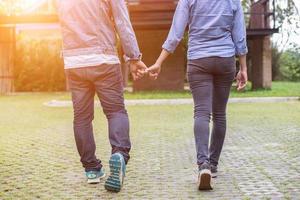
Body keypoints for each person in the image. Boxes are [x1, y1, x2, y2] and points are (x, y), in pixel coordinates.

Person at [147, 0, 248, 190]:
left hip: (198, 59)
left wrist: (159, 62)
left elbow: (176, 33)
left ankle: (203, 166)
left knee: (202, 112)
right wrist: (243, 67)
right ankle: (213, 165)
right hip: (225, 59)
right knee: (219, 114)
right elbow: (239, 35)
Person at [56, 0, 147, 192]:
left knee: (81, 117)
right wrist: (133, 57)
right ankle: (120, 155)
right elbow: (122, 22)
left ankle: (91, 169)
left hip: (74, 62)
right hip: (103, 58)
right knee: (115, 112)